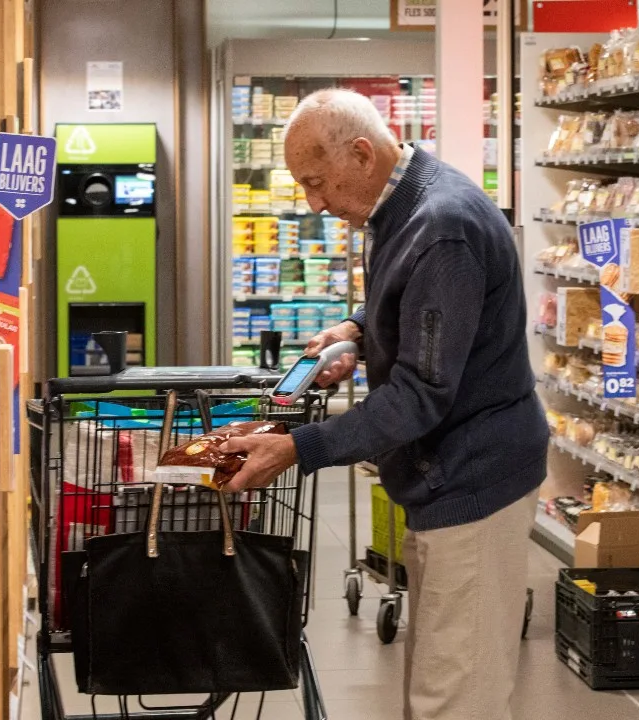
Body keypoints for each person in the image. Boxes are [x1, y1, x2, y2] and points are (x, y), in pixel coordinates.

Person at [219, 88, 549, 720]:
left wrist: (297, 448)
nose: (314, 203)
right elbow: (421, 307)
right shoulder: (401, 207)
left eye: (317, 182)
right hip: (443, 478)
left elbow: (422, 393)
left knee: (457, 699)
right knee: (438, 681)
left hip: (475, 480)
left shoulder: (441, 226)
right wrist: (359, 330)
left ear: (363, 154)